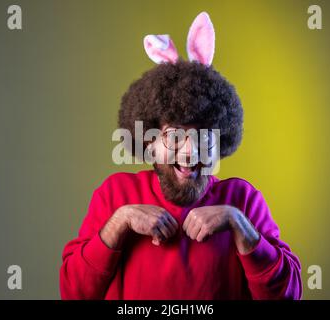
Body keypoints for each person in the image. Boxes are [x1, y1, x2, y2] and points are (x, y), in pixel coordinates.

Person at [60, 12, 302, 300]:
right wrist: (119, 222)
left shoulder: (243, 200)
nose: (190, 151)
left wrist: (240, 225)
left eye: (204, 136)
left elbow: (288, 295)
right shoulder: (115, 195)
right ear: (149, 141)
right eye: (174, 136)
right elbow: (73, 293)